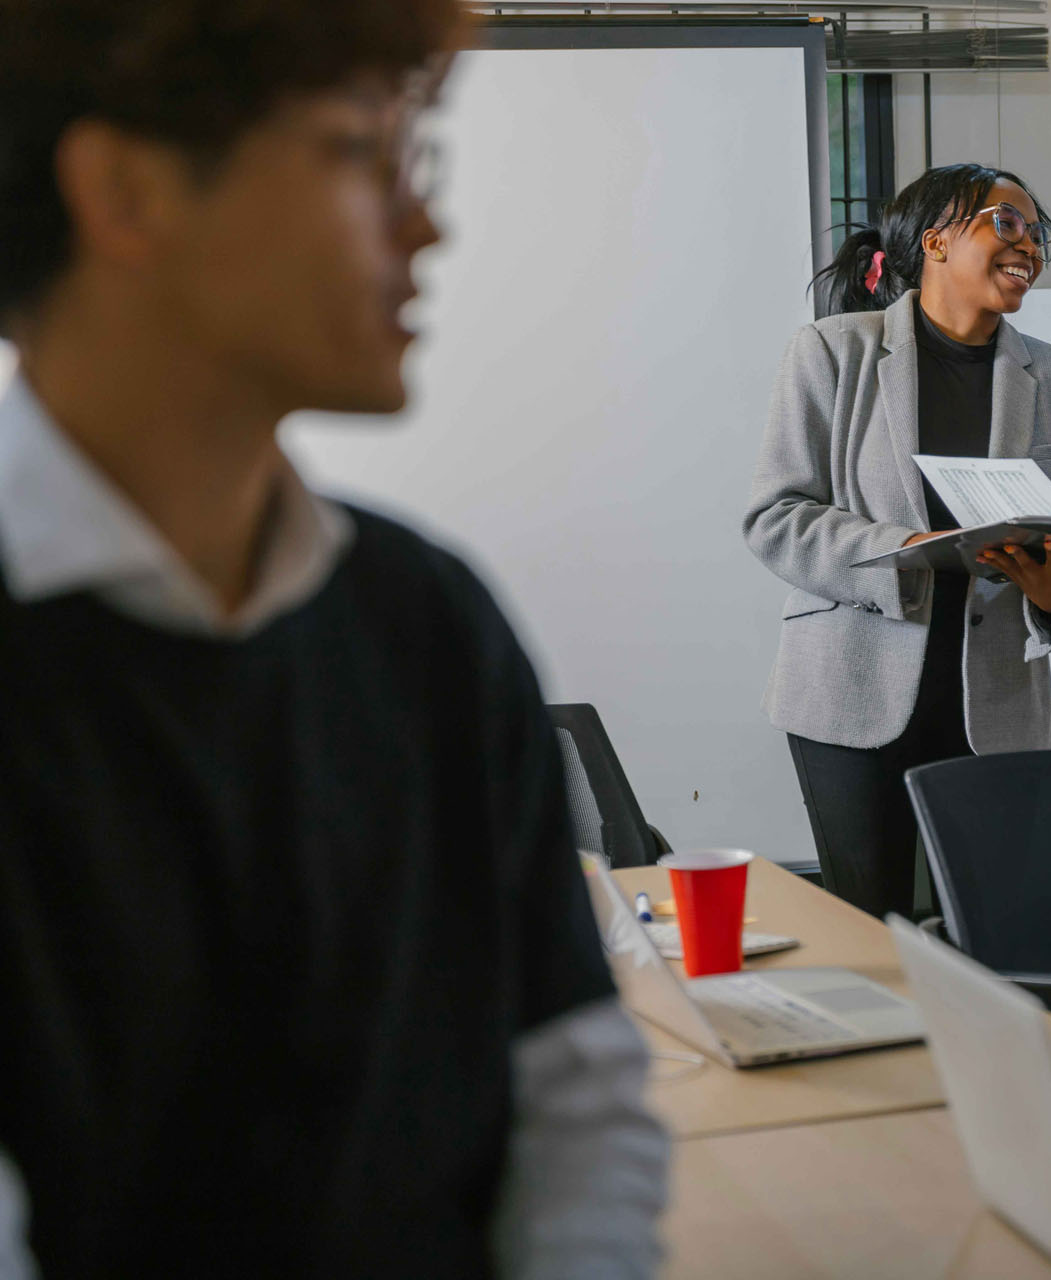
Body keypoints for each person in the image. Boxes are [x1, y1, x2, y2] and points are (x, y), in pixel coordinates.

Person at [0, 2, 665, 1275]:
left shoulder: (429, 619)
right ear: (127, 191)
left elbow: (574, 1084)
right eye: (363, 151)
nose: (425, 225)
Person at [743, 164, 1051, 919]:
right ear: (936, 240)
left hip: (997, 702)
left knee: (989, 936)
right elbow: (777, 516)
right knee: (869, 931)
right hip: (849, 688)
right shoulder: (831, 352)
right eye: (1006, 223)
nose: (1029, 246)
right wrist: (908, 548)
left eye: (1038, 233)